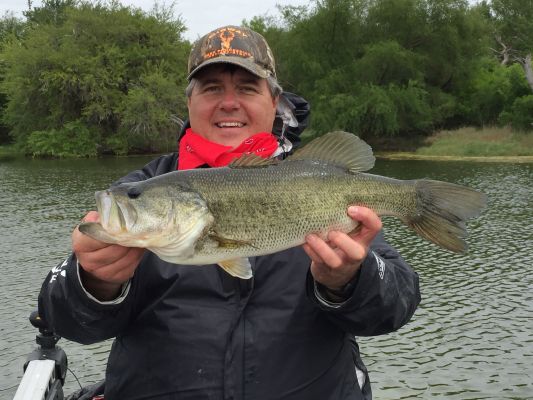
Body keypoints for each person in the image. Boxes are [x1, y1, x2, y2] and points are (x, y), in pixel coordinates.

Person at [39, 25, 421, 400]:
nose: (229, 102)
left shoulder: (317, 184)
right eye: (212, 88)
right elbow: (70, 321)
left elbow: (395, 306)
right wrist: (94, 283)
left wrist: (350, 281)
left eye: (247, 88)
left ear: (275, 103)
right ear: (189, 103)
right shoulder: (145, 186)